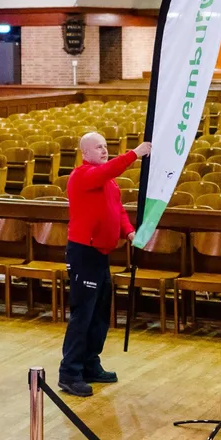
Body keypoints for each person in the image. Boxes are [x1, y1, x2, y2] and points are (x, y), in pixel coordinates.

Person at [58, 131, 152, 396]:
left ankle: (90, 364)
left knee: (100, 314)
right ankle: (69, 372)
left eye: (105, 146)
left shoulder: (109, 184)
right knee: (83, 315)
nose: (104, 150)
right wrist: (135, 154)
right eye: (97, 147)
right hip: (83, 254)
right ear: (85, 153)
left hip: (101, 254)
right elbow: (108, 170)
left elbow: (118, 210)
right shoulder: (83, 175)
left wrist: (129, 231)